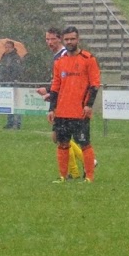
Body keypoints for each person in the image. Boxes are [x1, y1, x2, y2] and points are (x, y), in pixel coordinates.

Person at [47, 26, 102, 183]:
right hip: (62, 112)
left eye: (72, 39)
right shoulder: (60, 62)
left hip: (80, 112)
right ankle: (63, 177)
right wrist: (52, 108)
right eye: (67, 39)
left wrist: (88, 105)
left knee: (84, 144)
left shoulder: (88, 59)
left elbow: (94, 84)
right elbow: (55, 86)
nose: (70, 42)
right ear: (63, 41)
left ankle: (89, 177)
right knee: (62, 144)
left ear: (78, 40)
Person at [36, 28, 86, 177]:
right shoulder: (58, 56)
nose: (49, 42)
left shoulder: (65, 55)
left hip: (66, 103)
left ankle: (86, 163)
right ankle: (76, 171)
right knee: (60, 138)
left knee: (59, 137)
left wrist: (51, 93)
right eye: (47, 39)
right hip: (62, 100)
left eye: (52, 39)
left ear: (60, 39)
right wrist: (49, 92)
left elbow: (68, 81)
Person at [0, 39, 26, 130]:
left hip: (13, 83)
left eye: (8, 47)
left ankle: (17, 123)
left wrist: (12, 78)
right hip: (5, 82)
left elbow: (17, 71)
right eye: (5, 47)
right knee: (9, 104)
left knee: (16, 104)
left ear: (12, 48)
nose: (6, 49)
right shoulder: (4, 57)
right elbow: (1, 70)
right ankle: (10, 122)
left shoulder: (15, 57)